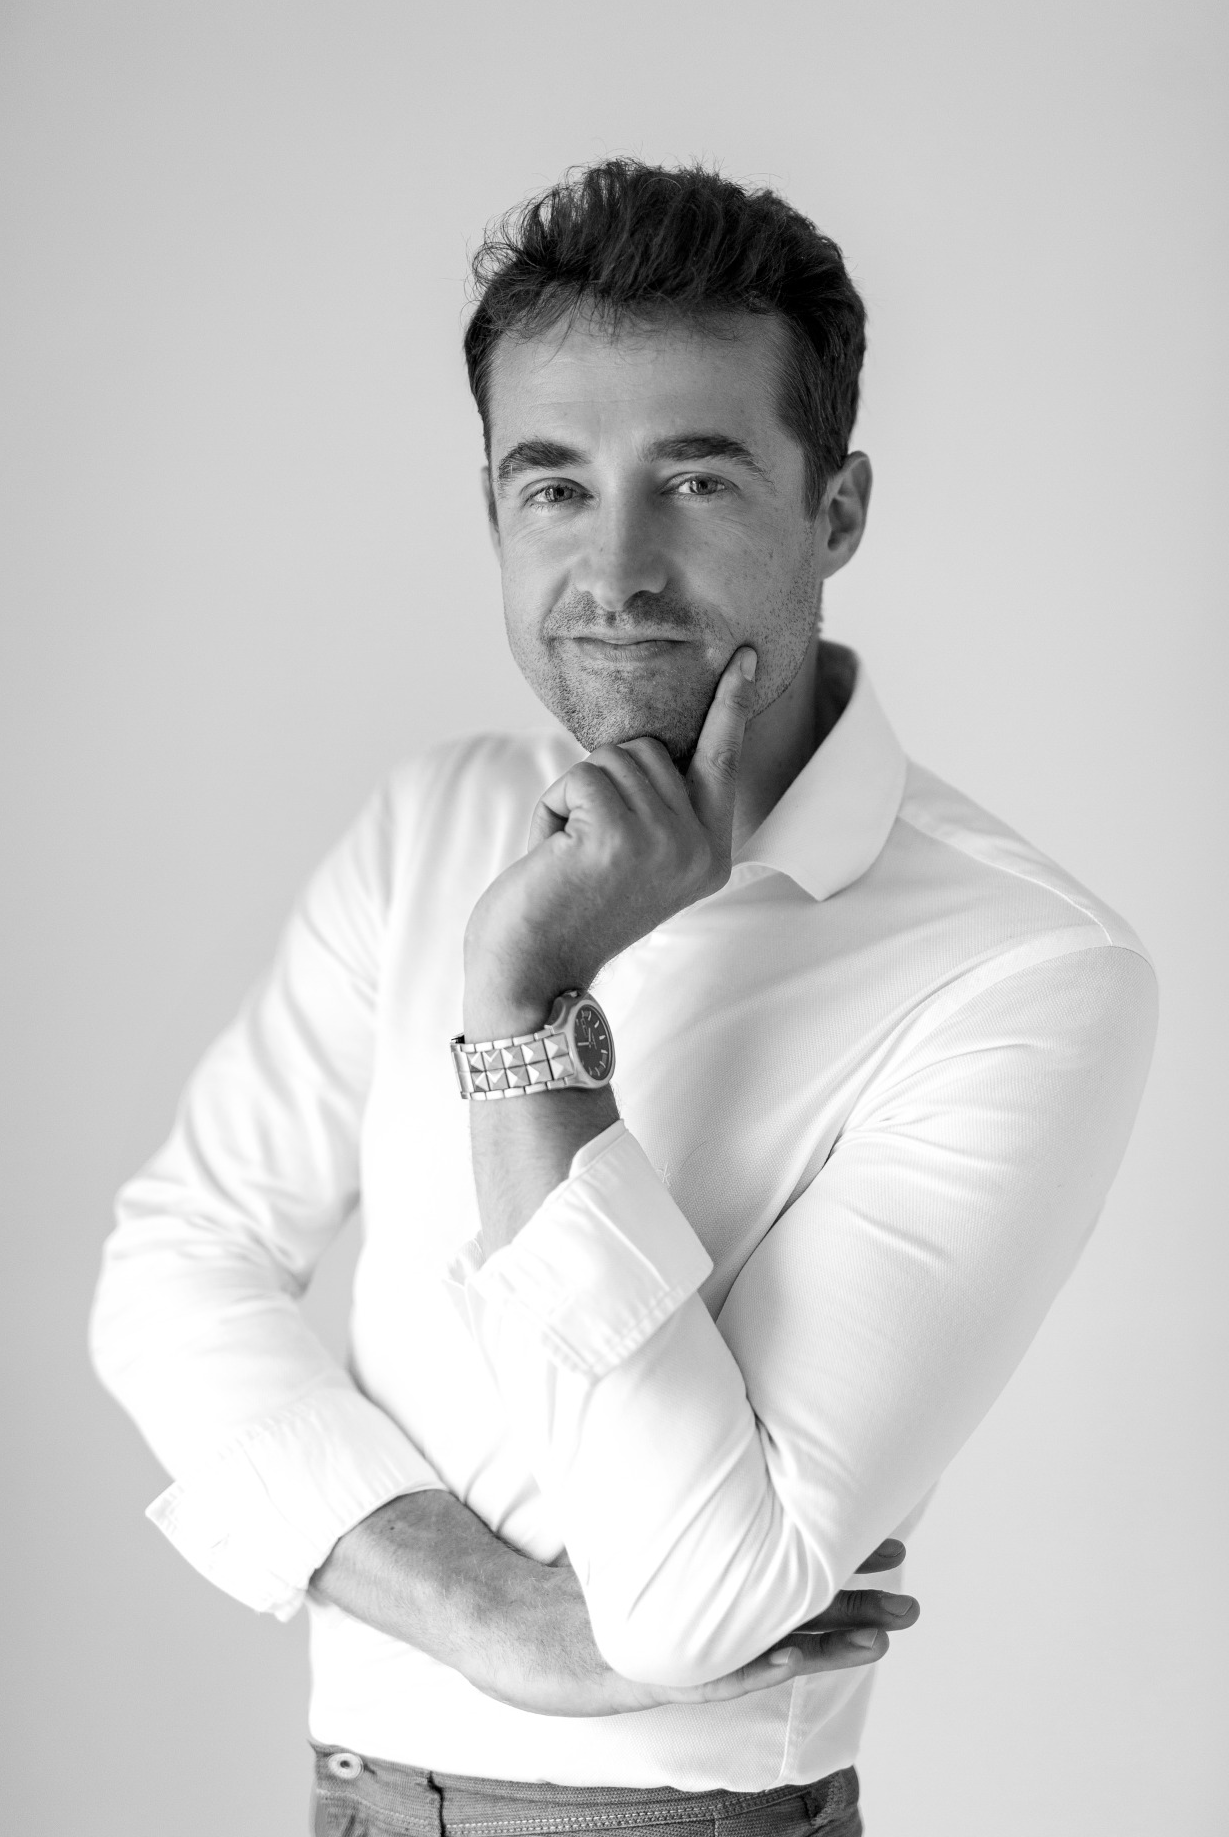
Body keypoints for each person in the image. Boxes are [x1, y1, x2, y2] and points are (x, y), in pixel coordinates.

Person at [90, 160, 1157, 1836]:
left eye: (698, 480)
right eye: (554, 485)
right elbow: (172, 1267)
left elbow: (688, 1603)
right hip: (351, 1800)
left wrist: (528, 1004)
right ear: (493, 511)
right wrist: (485, 1615)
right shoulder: (433, 822)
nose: (616, 570)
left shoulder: (1024, 969)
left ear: (838, 511)